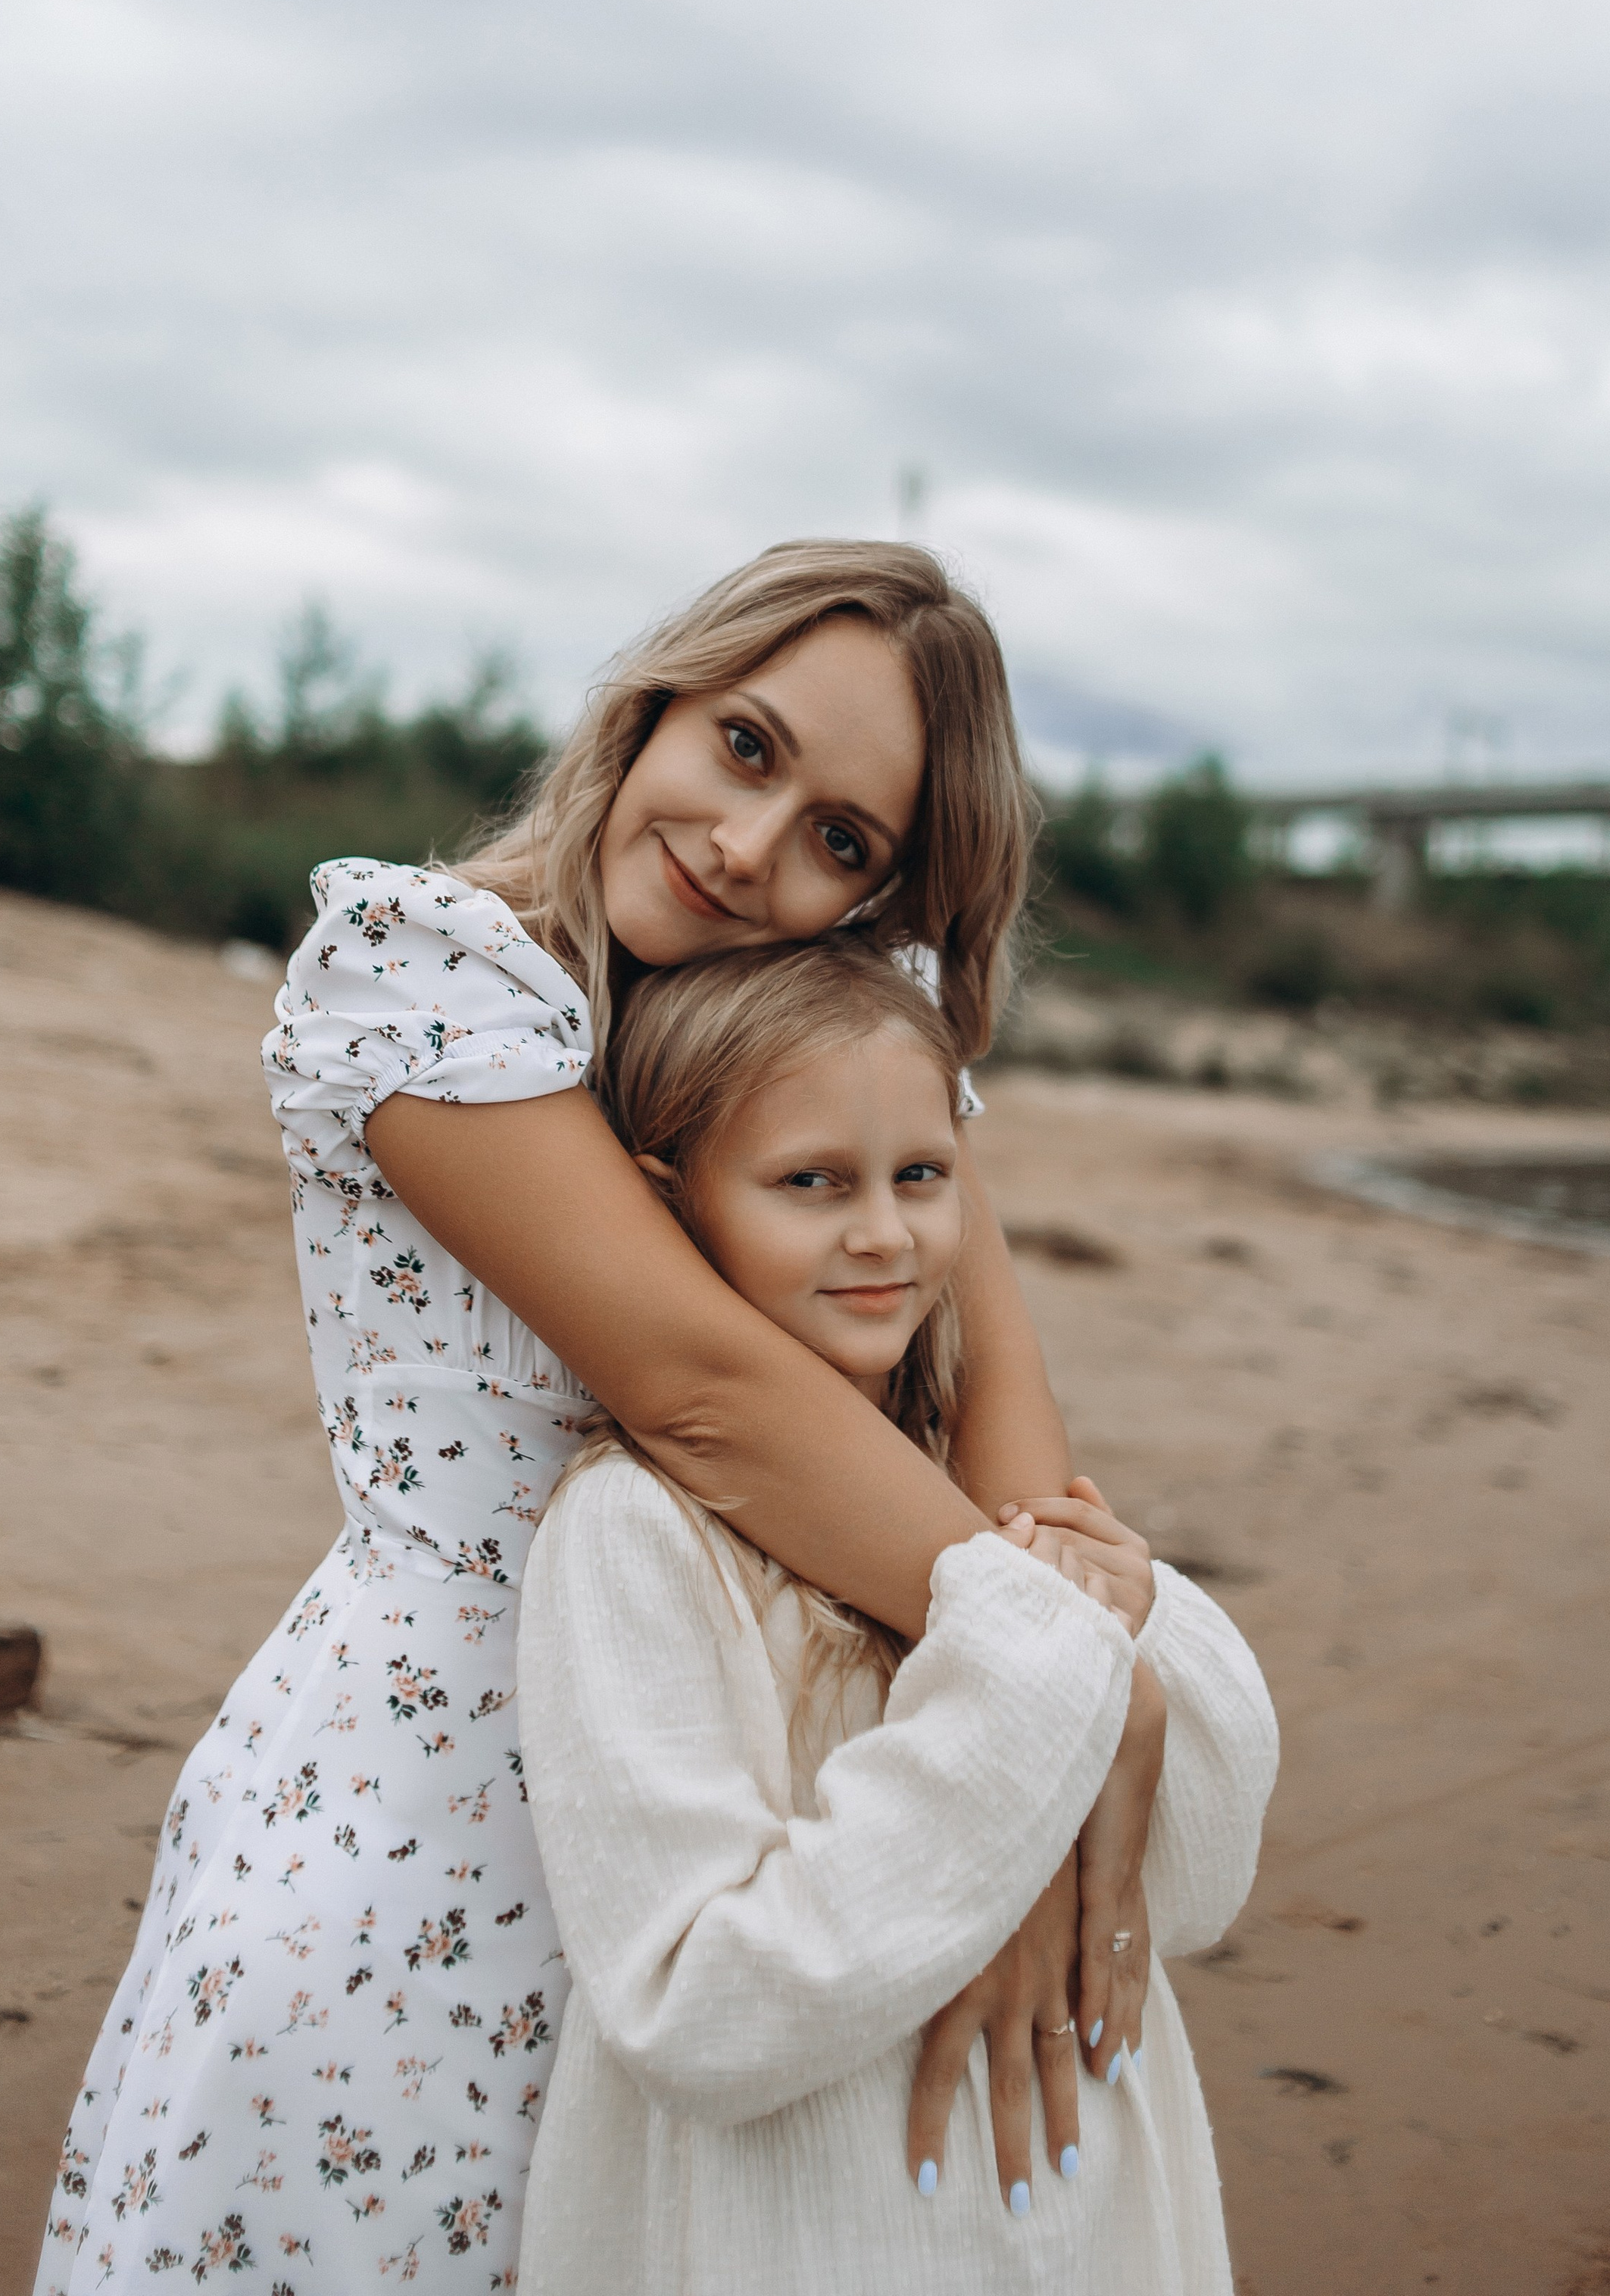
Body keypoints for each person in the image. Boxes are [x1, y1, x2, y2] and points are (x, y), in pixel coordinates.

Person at [35, 541, 1165, 2294]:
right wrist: (1055, 1694)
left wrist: (1026, 1728)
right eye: (746, 748)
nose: (748, 846)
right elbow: (696, 1397)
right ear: (660, 699)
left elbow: (997, 1381)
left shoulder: (843, 1040)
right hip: (427, 1825)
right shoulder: (428, 976)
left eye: (840, 842)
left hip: (729, 1814)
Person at [515, 934, 1278, 2294]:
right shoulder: (634, 1536)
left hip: (1075, 2208)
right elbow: (690, 2004)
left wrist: (1141, 1619)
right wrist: (1034, 1703)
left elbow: (1196, 1887)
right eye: (813, 1182)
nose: (883, 1232)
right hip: (805, 2233)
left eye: (922, 1176)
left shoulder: (974, 1497)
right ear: (672, 1208)